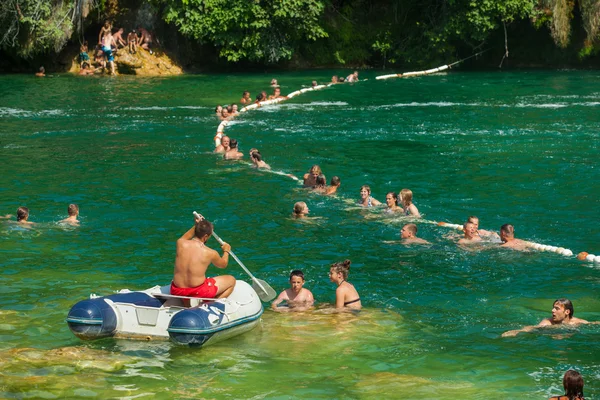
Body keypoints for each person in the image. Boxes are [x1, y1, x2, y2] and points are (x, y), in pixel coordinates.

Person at [171, 215, 235, 299]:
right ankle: (212, 303)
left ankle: (186, 302)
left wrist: (197, 224)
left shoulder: (180, 243)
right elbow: (223, 264)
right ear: (205, 237)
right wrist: (226, 251)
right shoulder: (210, 253)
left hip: (176, 290)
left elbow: (188, 235)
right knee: (231, 280)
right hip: (197, 292)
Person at [502, 298, 597, 337]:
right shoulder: (548, 322)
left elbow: (593, 323)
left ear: (567, 312)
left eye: (557, 309)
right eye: (553, 308)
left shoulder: (577, 322)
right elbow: (533, 327)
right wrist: (518, 331)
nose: (552, 311)